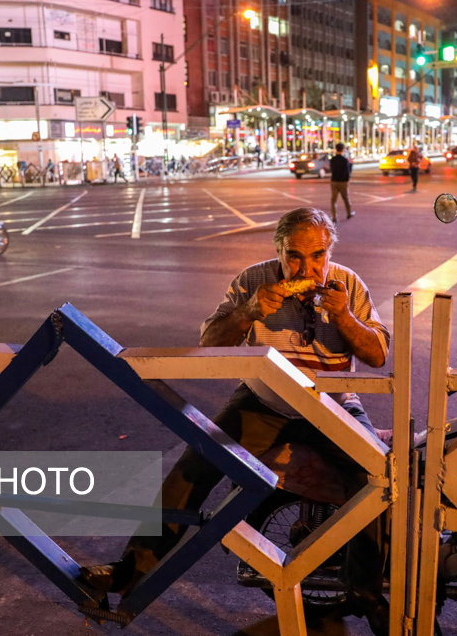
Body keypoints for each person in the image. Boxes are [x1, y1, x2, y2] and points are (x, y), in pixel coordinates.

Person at [80, 207, 391, 624]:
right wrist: (247, 312)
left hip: (333, 403)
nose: (307, 268)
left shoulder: (348, 284)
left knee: (376, 477)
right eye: (294, 256)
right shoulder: (252, 280)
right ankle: (131, 570)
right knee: (196, 464)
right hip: (263, 399)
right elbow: (208, 341)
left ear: (329, 250)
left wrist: (345, 317)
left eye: (317, 256)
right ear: (278, 250)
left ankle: (364, 591)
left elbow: (377, 354)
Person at [329, 142, 354, 221]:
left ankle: (334, 216)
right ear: (343, 150)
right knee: (346, 198)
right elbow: (347, 172)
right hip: (343, 182)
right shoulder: (345, 160)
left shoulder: (332, 160)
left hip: (334, 181)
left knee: (333, 200)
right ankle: (349, 213)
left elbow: (332, 169)